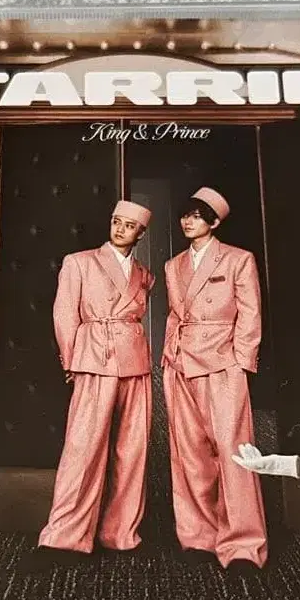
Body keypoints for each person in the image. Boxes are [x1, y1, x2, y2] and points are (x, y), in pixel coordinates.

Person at [23, 200, 155, 572]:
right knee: (83, 448)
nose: (120, 229)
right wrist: (71, 361)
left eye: (129, 225)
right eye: (116, 221)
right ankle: (64, 537)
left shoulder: (144, 274)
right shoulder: (79, 262)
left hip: (135, 362)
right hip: (94, 358)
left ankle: (121, 534)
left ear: (141, 233)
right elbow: (65, 313)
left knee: (133, 450)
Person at [161, 186, 268, 575]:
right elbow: (175, 315)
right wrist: (168, 357)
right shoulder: (173, 265)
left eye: (197, 216)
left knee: (234, 450)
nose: (188, 222)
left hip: (223, 363)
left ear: (215, 222)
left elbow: (250, 314)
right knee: (190, 452)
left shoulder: (238, 259)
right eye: (185, 215)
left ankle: (243, 545)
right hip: (180, 364)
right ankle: (198, 537)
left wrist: (241, 362)